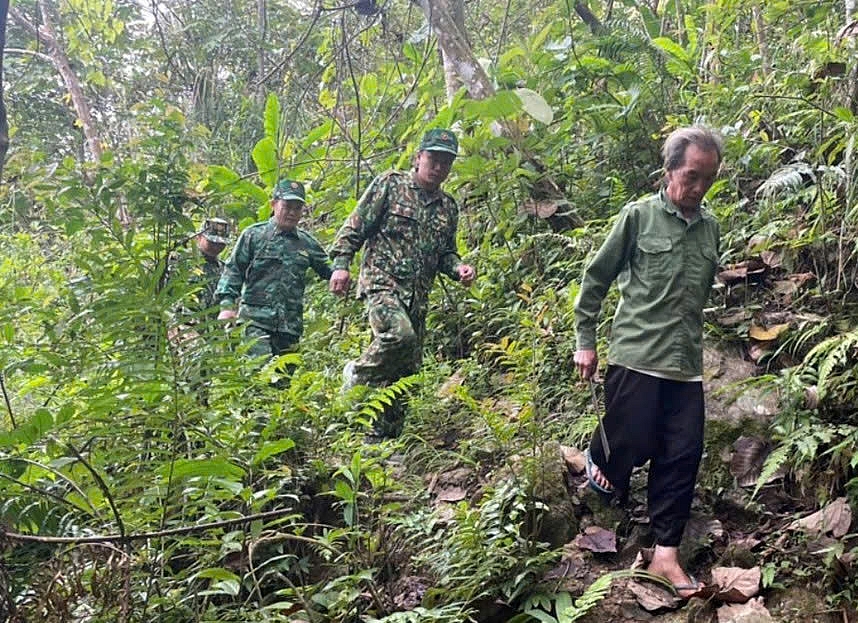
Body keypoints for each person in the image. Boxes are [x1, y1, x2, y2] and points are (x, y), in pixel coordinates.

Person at [573, 126, 723, 597]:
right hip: (636, 355)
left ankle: (665, 556)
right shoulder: (638, 218)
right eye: (692, 176)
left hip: (685, 364)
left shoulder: (711, 227)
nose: (699, 188)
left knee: (682, 455)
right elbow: (595, 279)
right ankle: (599, 459)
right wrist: (585, 339)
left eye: (709, 179)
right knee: (630, 440)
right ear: (669, 172)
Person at [329, 128, 476, 436]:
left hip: (417, 296)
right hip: (383, 282)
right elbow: (354, 227)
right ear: (418, 157)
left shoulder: (448, 207)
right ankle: (356, 374)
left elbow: (445, 252)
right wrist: (341, 265)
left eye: (446, 163)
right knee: (400, 336)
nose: (438, 168)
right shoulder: (390, 185)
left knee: (406, 373)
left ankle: (381, 441)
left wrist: (458, 268)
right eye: (433, 159)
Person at [216, 180, 332, 364]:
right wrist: (226, 306)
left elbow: (330, 270)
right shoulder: (253, 236)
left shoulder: (307, 243)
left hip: (289, 328)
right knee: (261, 373)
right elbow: (234, 271)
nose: (292, 212)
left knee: (284, 385)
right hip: (255, 322)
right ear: (274, 204)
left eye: (298, 208)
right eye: (287, 206)